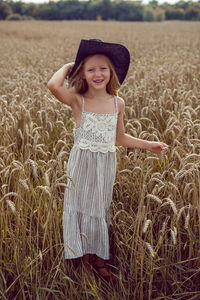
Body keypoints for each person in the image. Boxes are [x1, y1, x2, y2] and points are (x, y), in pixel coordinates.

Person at [47, 39, 168, 282]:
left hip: (105, 166)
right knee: (81, 209)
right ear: (82, 73)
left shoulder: (117, 103)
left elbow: (120, 138)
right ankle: (82, 259)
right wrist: (68, 66)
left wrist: (149, 145)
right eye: (90, 69)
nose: (98, 74)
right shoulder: (78, 100)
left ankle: (99, 261)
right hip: (81, 165)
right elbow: (52, 85)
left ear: (111, 72)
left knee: (99, 212)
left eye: (103, 68)